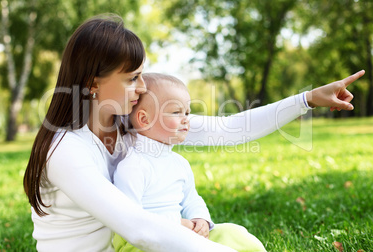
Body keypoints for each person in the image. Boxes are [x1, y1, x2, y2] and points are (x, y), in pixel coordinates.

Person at [23, 14, 364, 252]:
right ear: (92, 84)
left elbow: (230, 129)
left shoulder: (130, 123)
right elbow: (138, 228)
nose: (142, 87)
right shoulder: (66, 149)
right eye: (132, 78)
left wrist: (306, 99)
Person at [113, 73, 267, 252]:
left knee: (233, 233)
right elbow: (130, 218)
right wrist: (177, 224)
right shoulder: (132, 165)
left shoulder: (179, 163)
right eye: (176, 112)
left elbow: (191, 199)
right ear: (144, 119)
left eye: (187, 112)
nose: (186, 118)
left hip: (182, 233)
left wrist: (200, 219)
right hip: (141, 243)